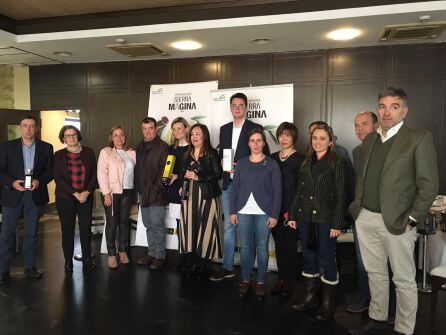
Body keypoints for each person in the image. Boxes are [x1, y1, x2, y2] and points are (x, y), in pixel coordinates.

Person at [348, 87, 438, 335]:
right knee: (375, 273)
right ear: (378, 110)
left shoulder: (418, 138)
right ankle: (377, 319)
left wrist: (412, 219)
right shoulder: (371, 140)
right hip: (366, 217)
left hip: (398, 221)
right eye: (383, 106)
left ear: (404, 111)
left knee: (403, 279)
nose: (387, 112)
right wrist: (358, 209)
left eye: (394, 106)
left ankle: (404, 329)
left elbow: (429, 186)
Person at [288, 124, 346, 321]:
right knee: (308, 256)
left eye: (322, 138)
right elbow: (299, 191)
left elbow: (341, 195)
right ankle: (311, 297)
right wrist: (294, 215)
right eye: (315, 138)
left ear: (330, 141)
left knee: (326, 258)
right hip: (305, 218)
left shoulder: (336, 162)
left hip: (325, 219)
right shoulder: (306, 162)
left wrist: (337, 224)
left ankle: (328, 303)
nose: (318, 142)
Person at [210, 92, 269, 282]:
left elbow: (264, 156)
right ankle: (227, 267)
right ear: (230, 108)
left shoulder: (255, 128)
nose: (237, 108)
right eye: (234, 105)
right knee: (229, 226)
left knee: (250, 231)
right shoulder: (224, 129)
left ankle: (251, 272)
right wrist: (221, 163)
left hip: (249, 186)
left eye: (241, 105)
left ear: (246, 108)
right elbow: (222, 154)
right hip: (228, 184)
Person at [348, 111, 398, 319]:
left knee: (388, 264)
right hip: (362, 215)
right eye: (356, 125)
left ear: (377, 124)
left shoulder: (392, 146)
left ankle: (392, 309)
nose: (360, 129)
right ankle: (366, 299)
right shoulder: (357, 151)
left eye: (365, 124)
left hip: (387, 216)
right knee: (364, 263)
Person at [0, 115, 53, 284]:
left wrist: (40, 181)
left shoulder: (46, 147)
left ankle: (29, 267)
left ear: (36, 128)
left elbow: (50, 171)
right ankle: (3, 270)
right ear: (20, 127)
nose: (28, 129)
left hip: (34, 195)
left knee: (31, 234)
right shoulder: (7, 146)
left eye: (31, 126)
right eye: (25, 125)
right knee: (6, 234)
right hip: (12, 195)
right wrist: (11, 183)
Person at [230, 128, 281, 299]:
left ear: (264, 143)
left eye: (259, 140)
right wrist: (232, 211)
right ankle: (245, 279)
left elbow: (277, 192)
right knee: (245, 247)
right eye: (253, 140)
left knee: (262, 247)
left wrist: (274, 215)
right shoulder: (242, 163)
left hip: (264, 213)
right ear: (248, 143)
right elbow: (235, 189)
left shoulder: (272, 164)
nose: (256, 144)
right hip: (243, 211)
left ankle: (260, 282)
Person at [178, 124, 222, 278]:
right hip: (189, 196)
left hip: (206, 196)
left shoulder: (212, 153)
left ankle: (203, 262)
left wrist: (199, 178)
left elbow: (218, 175)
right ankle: (191, 259)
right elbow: (184, 173)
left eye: (198, 134)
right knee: (189, 227)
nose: (194, 137)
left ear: (205, 136)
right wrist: (182, 187)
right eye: (192, 134)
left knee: (206, 228)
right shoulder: (187, 154)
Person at [53, 125, 97, 272]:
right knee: (67, 229)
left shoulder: (89, 152)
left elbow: (94, 174)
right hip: (65, 197)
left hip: (86, 197)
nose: (71, 138)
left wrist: (86, 192)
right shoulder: (58, 155)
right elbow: (58, 178)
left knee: (85, 228)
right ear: (63, 139)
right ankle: (67, 261)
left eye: (73, 135)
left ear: (78, 136)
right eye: (67, 136)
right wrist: (75, 193)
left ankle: (87, 259)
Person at [270, 122, 305, 297]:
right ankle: (281, 279)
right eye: (281, 135)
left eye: (287, 135)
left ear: (294, 137)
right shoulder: (272, 157)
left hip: (291, 211)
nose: (283, 138)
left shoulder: (301, 159)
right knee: (278, 245)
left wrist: (294, 212)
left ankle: (289, 281)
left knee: (290, 246)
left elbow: (302, 188)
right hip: (275, 209)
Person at [97, 126, 136, 269]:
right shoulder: (106, 152)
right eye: (116, 135)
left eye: (121, 135)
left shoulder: (131, 153)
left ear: (125, 137)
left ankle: (123, 251)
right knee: (112, 223)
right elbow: (101, 173)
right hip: (112, 193)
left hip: (128, 192)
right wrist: (106, 193)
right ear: (111, 137)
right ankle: (112, 254)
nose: (119, 138)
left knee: (124, 222)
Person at [135, 117, 169, 270]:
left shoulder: (163, 147)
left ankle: (160, 255)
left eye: (150, 128)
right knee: (148, 225)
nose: (147, 132)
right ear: (142, 129)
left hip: (157, 194)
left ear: (156, 129)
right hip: (143, 193)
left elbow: (165, 172)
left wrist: (156, 188)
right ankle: (151, 252)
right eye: (144, 129)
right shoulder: (140, 146)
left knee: (157, 225)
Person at [167, 117, 190, 272]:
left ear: (186, 129)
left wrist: (179, 177)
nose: (176, 132)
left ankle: (190, 257)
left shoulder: (193, 148)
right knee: (178, 223)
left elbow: (193, 171)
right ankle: (182, 256)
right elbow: (168, 169)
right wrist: (168, 177)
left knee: (189, 223)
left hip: (189, 190)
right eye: (174, 129)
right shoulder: (171, 149)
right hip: (174, 191)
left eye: (179, 128)